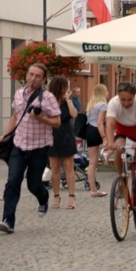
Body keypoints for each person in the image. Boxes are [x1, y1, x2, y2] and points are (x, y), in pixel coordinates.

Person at [0, 63, 61, 233]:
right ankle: (8, 220)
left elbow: (57, 122)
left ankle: (43, 197)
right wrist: (5, 135)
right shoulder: (18, 94)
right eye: (31, 74)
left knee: (33, 184)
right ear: (26, 74)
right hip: (19, 144)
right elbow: (15, 116)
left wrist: (41, 119)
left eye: (37, 76)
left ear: (43, 79)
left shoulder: (47, 97)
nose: (33, 78)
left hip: (39, 147)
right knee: (13, 181)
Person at [105, 82, 136, 227]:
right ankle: (122, 178)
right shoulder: (113, 102)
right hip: (123, 132)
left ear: (134, 96)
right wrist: (110, 142)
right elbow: (110, 124)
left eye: (129, 100)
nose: (126, 103)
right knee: (119, 149)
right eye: (123, 100)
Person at [47, 76, 79, 210]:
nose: (67, 89)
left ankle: (72, 197)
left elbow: (74, 114)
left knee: (68, 167)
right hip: (52, 135)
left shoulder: (67, 101)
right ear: (60, 87)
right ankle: (56, 196)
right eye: (65, 86)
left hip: (66, 134)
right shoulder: (49, 101)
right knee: (54, 168)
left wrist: (68, 100)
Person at [85, 84, 108, 197]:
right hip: (96, 131)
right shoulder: (103, 105)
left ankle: (93, 188)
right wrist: (104, 138)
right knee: (94, 162)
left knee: (91, 162)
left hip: (89, 130)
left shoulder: (91, 105)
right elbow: (100, 123)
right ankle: (93, 190)